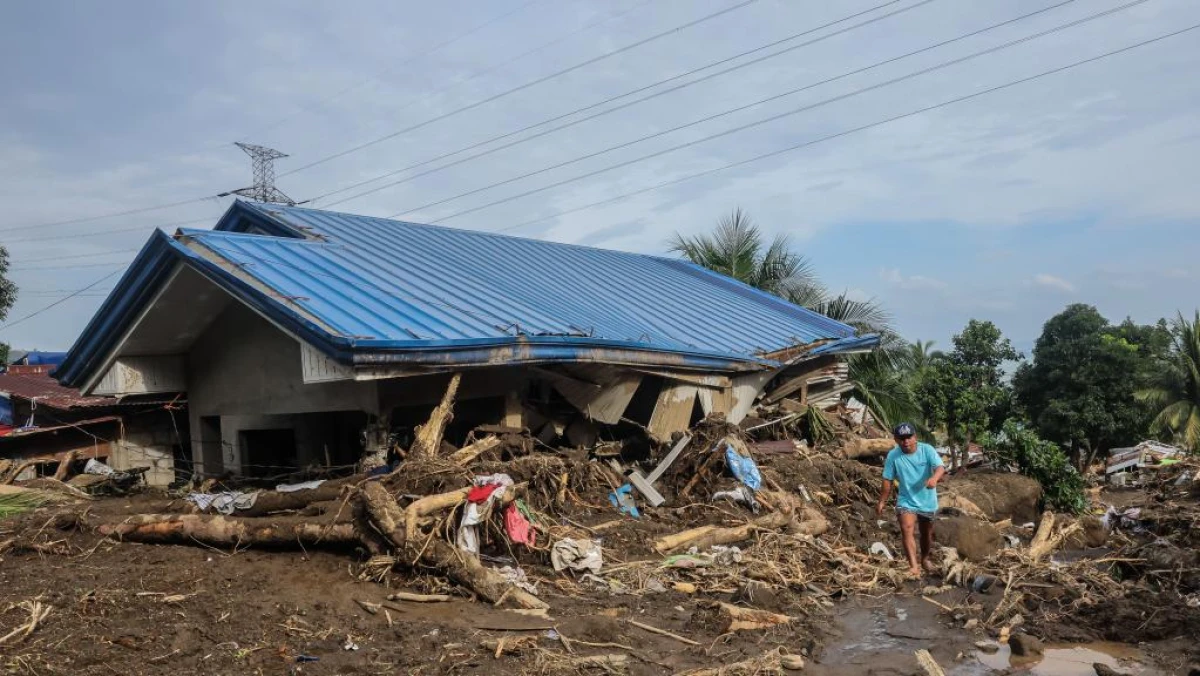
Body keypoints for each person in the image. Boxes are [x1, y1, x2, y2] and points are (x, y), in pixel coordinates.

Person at [875, 422, 946, 577]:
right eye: (901, 438)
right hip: (906, 499)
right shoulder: (893, 456)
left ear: (915, 437)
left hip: (927, 500)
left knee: (926, 533)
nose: (905, 441)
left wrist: (934, 479)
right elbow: (887, 480)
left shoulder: (927, 450)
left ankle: (925, 559)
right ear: (895, 439)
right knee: (907, 528)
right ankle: (913, 567)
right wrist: (882, 501)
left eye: (909, 437)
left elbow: (940, 467)